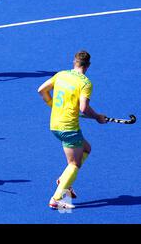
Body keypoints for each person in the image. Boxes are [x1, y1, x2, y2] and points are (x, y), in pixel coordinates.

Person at [38, 51, 107, 210]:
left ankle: (64, 179)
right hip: (68, 127)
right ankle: (56, 199)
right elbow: (83, 108)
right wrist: (97, 117)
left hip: (54, 124)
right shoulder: (85, 83)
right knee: (74, 164)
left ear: (74, 62)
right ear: (88, 65)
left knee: (86, 148)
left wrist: (52, 104)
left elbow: (41, 90)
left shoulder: (61, 75)